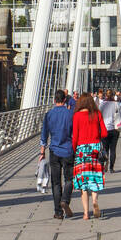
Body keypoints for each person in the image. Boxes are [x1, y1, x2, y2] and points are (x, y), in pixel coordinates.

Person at [39, 89, 75, 220]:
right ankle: (65, 199)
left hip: (54, 150)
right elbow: (74, 133)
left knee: (55, 182)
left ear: (55, 100)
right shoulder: (71, 114)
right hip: (68, 150)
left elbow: (44, 134)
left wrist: (42, 151)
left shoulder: (49, 114)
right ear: (65, 100)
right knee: (69, 179)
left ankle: (58, 212)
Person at [72, 92, 108, 220]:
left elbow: (75, 136)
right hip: (95, 150)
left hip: (81, 150)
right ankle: (95, 201)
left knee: (83, 182)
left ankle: (86, 213)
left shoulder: (76, 116)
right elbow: (104, 133)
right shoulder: (97, 114)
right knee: (94, 178)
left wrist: (74, 150)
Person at [99, 90, 121, 172]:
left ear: (106, 95)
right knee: (113, 149)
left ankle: (104, 165)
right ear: (113, 95)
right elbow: (120, 115)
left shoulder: (102, 104)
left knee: (104, 149)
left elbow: (99, 116)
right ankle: (111, 168)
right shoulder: (116, 104)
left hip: (104, 129)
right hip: (114, 129)